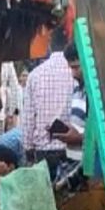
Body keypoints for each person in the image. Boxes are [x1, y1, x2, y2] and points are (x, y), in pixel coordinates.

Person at [21, 26, 73, 180]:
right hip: (71, 148)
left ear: (50, 43)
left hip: (43, 150)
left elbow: (28, 117)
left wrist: (28, 149)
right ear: (69, 42)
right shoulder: (75, 71)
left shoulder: (35, 75)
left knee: (46, 194)